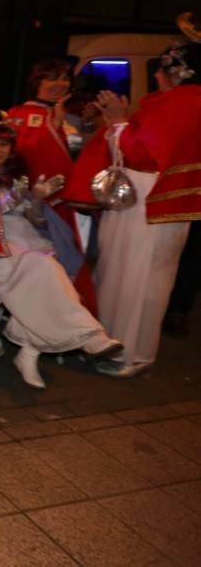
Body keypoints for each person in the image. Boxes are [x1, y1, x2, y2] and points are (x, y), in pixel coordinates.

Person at [63, 39, 201, 377]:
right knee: (138, 276)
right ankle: (118, 345)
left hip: (147, 201)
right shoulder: (183, 103)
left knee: (134, 278)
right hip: (157, 201)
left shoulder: (182, 105)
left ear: (175, 74)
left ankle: (127, 353)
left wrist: (118, 121)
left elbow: (142, 154)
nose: (155, 76)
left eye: (160, 69)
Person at [0, 116, 123, 388]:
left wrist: (36, 199)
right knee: (44, 269)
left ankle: (31, 353)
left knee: (50, 271)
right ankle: (90, 337)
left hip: (27, 240)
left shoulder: (17, 177)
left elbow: (37, 220)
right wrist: (16, 198)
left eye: (4, 145)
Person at [6, 58, 98, 313]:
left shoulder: (70, 117)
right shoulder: (18, 115)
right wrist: (55, 127)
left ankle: (68, 321)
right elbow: (15, 156)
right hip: (28, 206)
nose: (59, 84)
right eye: (52, 78)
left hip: (66, 204)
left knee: (68, 263)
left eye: (64, 78)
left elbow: (85, 155)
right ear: (38, 82)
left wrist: (85, 123)